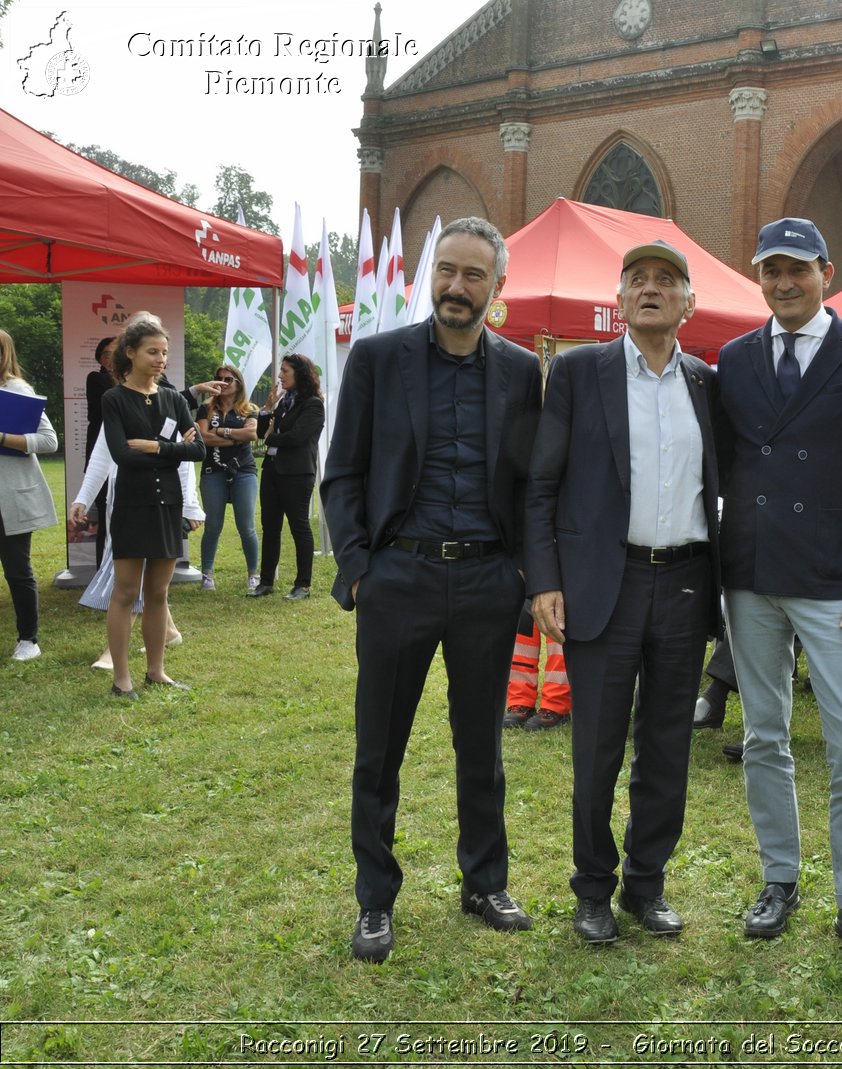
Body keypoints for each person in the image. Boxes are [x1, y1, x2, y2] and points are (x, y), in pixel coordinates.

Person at [322, 216, 543, 965]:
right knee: (378, 749)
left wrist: (520, 571)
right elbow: (342, 470)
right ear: (433, 278)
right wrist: (359, 570)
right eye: (447, 271)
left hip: (486, 579)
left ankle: (484, 881)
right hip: (400, 577)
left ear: (497, 287)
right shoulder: (380, 360)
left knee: (481, 746)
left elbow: (530, 482)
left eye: (473, 274)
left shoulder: (521, 371)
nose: (456, 286)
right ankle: (376, 898)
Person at [715, 216, 842, 968]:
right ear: (757, 275)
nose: (784, 283)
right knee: (764, 735)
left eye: (798, 269)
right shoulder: (731, 360)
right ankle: (780, 877)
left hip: (836, 582)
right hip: (752, 575)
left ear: (827, 271)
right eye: (771, 270)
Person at [527, 239, 722, 944]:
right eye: (637, 279)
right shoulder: (582, 372)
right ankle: (591, 889)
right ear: (618, 300)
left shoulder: (706, 380)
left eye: (665, 280)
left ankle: (647, 884)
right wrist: (545, 579)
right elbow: (542, 483)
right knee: (598, 748)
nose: (650, 288)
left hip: (685, 583)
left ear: (687, 303)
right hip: (604, 583)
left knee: (667, 745)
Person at [94, 314, 206, 697]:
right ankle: (121, 678)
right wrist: (173, 453)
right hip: (133, 504)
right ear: (131, 353)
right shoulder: (113, 398)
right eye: (152, 352)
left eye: (164, 352)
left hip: (167, 505)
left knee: (159, 593)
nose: (161, 359)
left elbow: (198, 449)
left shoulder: (174, 399)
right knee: (126, 592)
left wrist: (159, 447)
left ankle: (156, 672)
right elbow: (122, 455)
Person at [71, 422, 198, 666]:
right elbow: (100, 458)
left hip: (163, 502)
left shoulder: (168, 400)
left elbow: (185, 457)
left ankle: (116, 653)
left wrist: (190, 506)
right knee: (130, 578)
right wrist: (83, 499)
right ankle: (168, 633)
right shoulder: (115, 403)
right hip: (123, 504)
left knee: (146, 583)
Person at [0, 328, 58, 661]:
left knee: (17, 569)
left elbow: (50, 442)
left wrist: (4, 438)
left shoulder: (16, 391)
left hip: (9, 498)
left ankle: (28, 640)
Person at [251, 354, 324, 601]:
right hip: (272, 470)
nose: (280, 376)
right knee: (270, 528)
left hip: (296, 474)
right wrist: (266, 410)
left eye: (284, 371)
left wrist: (272, 437)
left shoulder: (313, 404)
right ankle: (266, 582)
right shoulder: (284, 402)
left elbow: (296, 438)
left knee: (299, 527)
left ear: (299, 374)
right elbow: (261, 433)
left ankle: (302, 585)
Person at [195, 363, 260, 592]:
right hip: (213, 471)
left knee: (246, 525)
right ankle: (207, 575)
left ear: (238, 383)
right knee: (212, 525)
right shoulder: (206, 408)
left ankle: (253, 573)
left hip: (243, 471)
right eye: (219, 378)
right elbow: (203, 438)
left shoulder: (249, 408)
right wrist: (236, 438)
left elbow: (252, 433)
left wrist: (222, 432)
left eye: (228, 379)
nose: (222, 383)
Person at [84, 336, 117, 567]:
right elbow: (106, 408)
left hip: (128, 457)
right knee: (105, 516)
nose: (111, 358)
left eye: (116, 353)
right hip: (102, 455)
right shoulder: (96, 379)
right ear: (100, 358)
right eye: (106, 354)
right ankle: (102, 573)